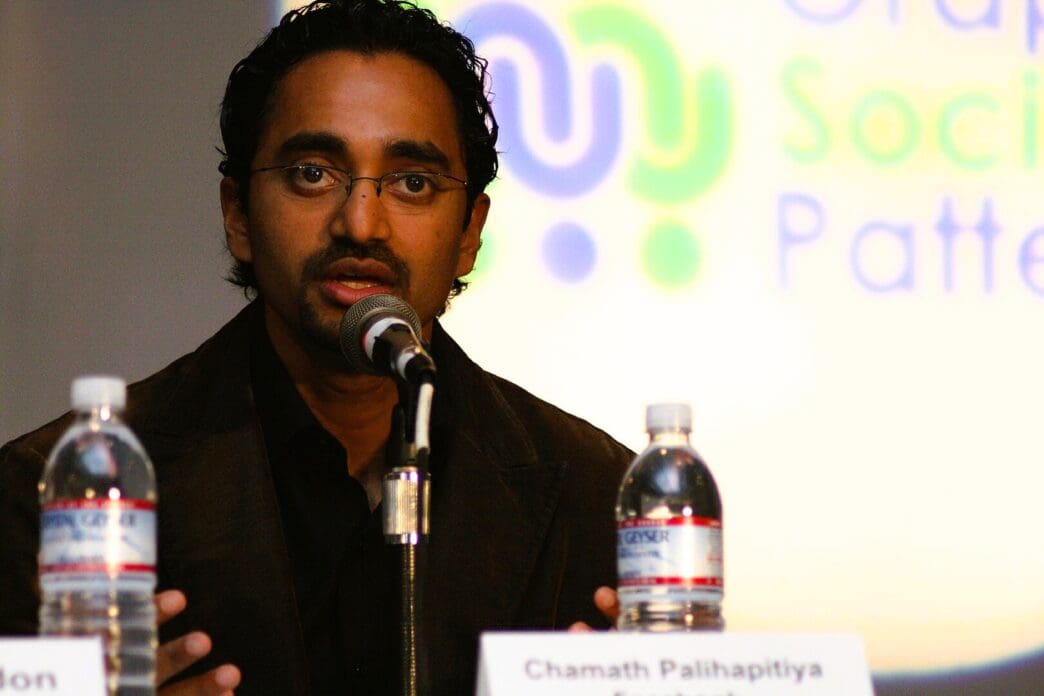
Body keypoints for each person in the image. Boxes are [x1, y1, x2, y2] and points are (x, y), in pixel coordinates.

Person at [0, 1, 631, 694]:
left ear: (469, 233)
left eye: (413, 183)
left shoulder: (597, 495)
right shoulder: (50, 495)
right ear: (237, 214)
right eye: (313, 173)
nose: (361, 224)